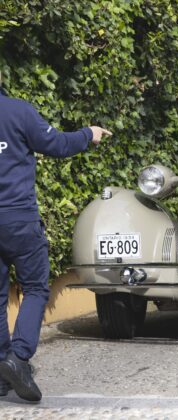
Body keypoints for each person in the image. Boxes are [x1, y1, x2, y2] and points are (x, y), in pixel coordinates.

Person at [0, 85, 112, 402]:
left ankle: (1, 370)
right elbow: (56, 144)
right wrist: (87, 134)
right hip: (19, 219)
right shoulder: (18, 111)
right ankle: (18, 358)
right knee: (35, 287)